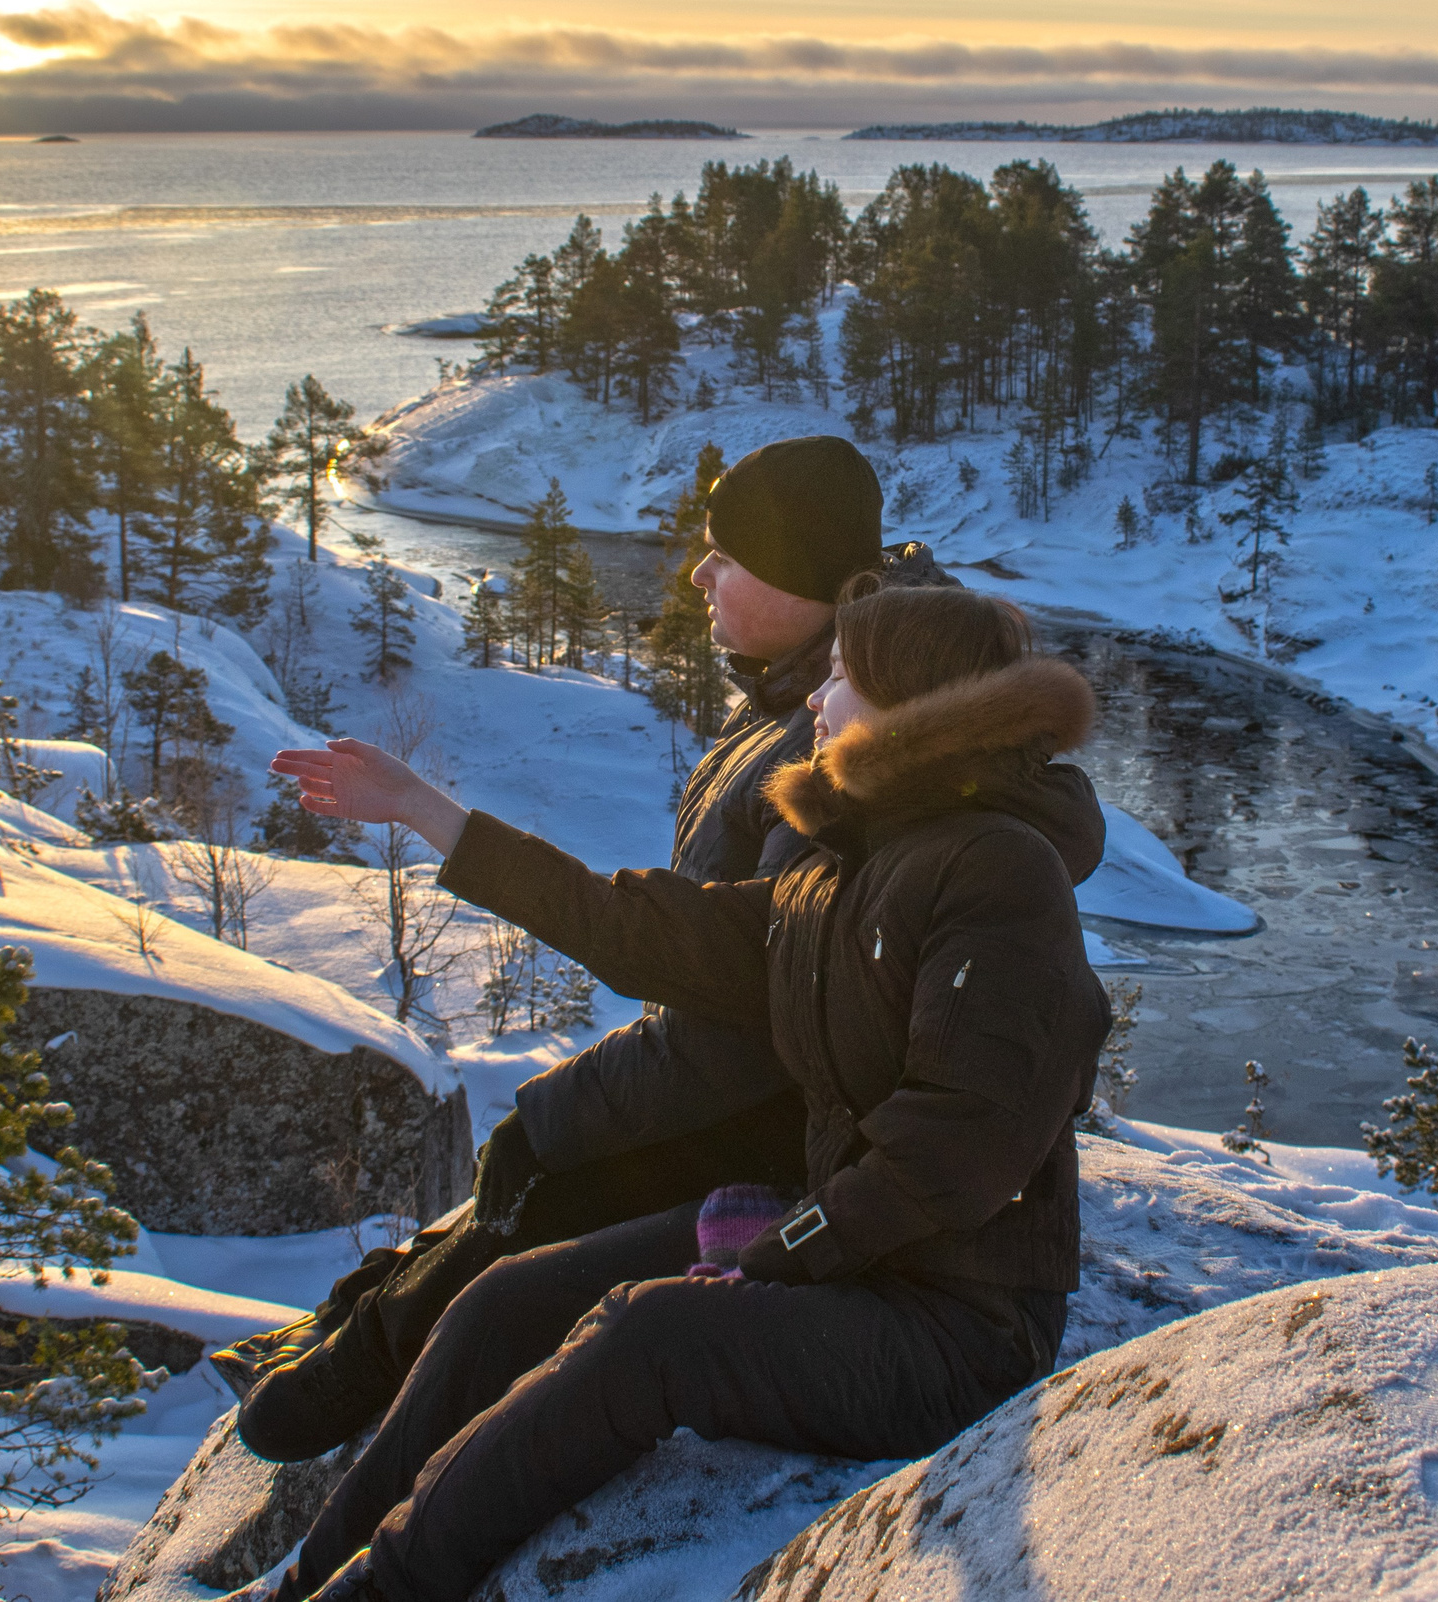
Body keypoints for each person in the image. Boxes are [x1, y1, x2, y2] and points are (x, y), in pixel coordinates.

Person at [263, 580, 1110, 1601]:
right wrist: (427, 811)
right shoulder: (840, 869)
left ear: (915, 703)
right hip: (853, 1264)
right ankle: (307, 1576)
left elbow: (962, 1145)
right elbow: (641, 928)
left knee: (645, 1336)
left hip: (954, 1325)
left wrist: (785, 1249)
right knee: (504, 1299)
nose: (814, 700)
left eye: (840, 676)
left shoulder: (999, 871)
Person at [223, 435, 956, 1461]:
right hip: (740, 1090)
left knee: (541, 1184)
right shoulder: (802, 694)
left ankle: (355, 1376)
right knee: (528, 1164)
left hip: (776, 1120)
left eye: (728, 557)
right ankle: (356, 1317)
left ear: (805, 584)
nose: (698, 574)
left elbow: (737, 1007)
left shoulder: (831, 745)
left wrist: (562, 1113)